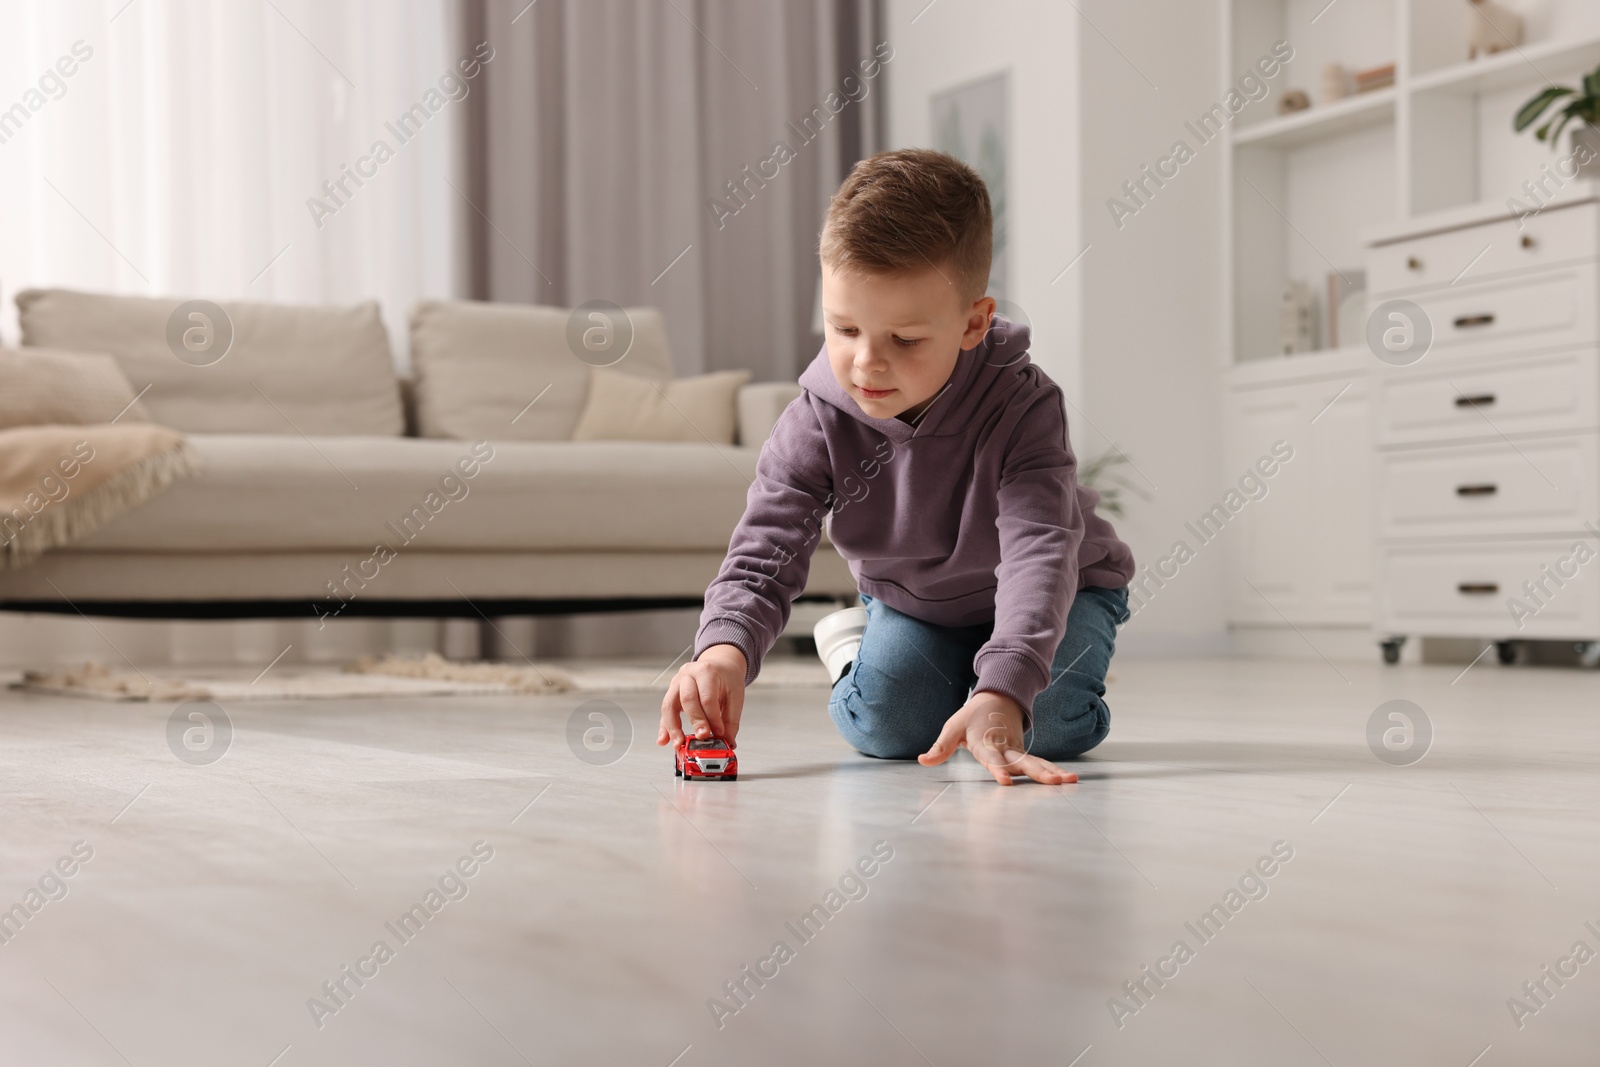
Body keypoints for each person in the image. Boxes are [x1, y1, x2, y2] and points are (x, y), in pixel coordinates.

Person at [656, 147, 1136, 786]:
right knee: (886, 728)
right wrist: (724, 650)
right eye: (843, 329)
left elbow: (1039, 551)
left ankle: (995, 676)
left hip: (1064, 588)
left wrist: (1003, 689)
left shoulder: (1024, 404)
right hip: (921, 602)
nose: (865, 363)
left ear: (974, 323)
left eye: (905, 340)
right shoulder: (817, 417)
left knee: (1045, 722)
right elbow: (767, 546)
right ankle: (862, 646)